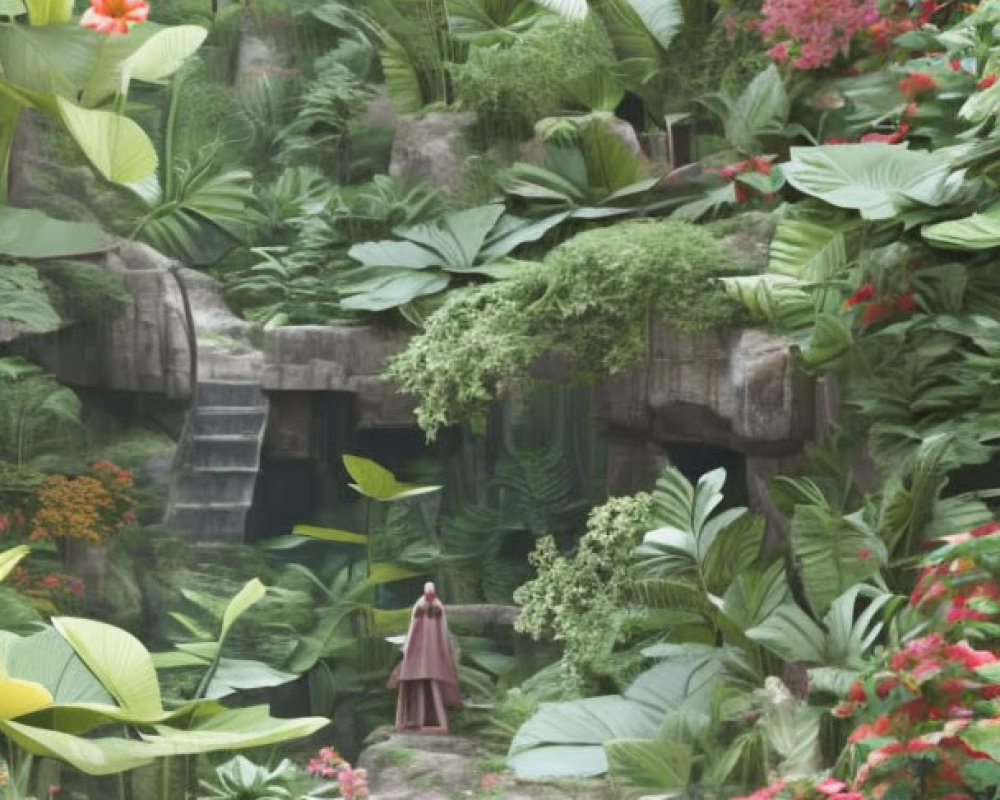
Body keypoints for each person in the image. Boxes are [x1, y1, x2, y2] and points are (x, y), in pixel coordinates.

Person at [388, 582, 461, 733]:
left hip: (431, 653)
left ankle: (430, 721)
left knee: (429, 682)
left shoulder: (435, 606)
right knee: (415, 683)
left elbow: (440, 630)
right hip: (420, 653)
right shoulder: (422, 606)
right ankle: (412, 720)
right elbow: (415, 627)